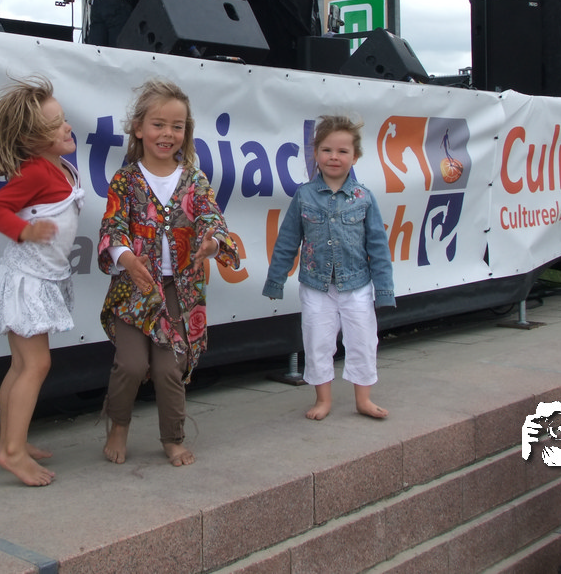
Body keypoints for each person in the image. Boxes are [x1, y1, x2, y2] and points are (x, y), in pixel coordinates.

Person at [97, 78, 239, 466]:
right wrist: (128, 260)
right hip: (134, 288)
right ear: (139, 129)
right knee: (131, 365)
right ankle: (119, 424)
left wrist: (211, 243)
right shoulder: (125, 180)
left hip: (180, 289)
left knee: (169, 368)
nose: (167, 134)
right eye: (158, 124)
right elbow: (113, 226)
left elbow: (211, 219)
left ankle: (172, 437)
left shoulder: (194, 179)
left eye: (177, 126)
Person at [0, 75, 84, 486]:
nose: (67, 127)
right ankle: (12, 452)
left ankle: (11, 441)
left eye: (64, 119)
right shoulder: (36, 172)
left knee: (21, 365)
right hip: (26, 281)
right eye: (56, 125)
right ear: (31, 139)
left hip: (41, 277)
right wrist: (25, 231)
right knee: (36, 364)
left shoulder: (59, 167)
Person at [262, 115, 395, 420]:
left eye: (342, 151)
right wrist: (276, 280)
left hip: (357, 285)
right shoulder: (304, 196)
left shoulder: (364, 198)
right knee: (317, 342)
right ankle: (323, 399)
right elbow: (287, 241)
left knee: (362, 341)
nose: (334, 157)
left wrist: (384, 291)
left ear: (355, 157)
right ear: (316, 154)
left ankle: (363, 399)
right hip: (315, 287)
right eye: (327, 150)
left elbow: (378, 247)